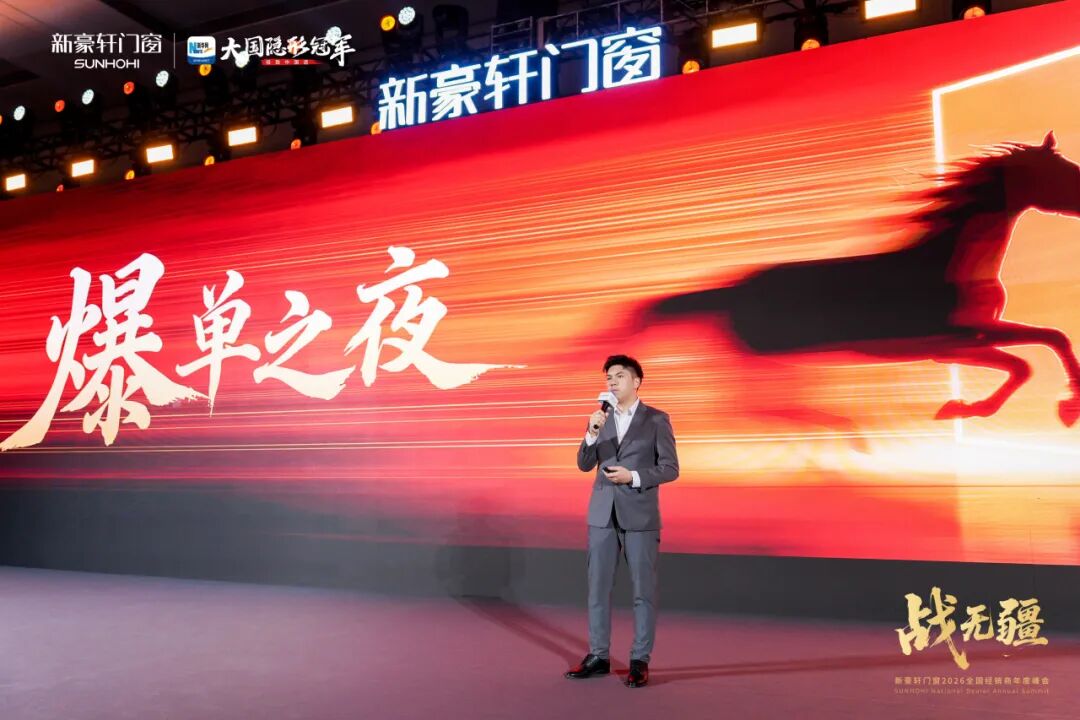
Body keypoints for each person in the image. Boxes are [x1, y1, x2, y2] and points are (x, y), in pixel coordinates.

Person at [564, 354, 679, 688]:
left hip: (640, 515)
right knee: (598, 589)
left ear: (636, 381)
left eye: (619, 376)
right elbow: (584, 464)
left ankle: (639, 660)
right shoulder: (601, 418)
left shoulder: (656, 419)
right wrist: (591, 433)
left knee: (643, 591)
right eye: (608, 378)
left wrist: (634, 476)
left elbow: (670, 468)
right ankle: (598, 656)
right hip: (602, 515)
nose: (612, 382)